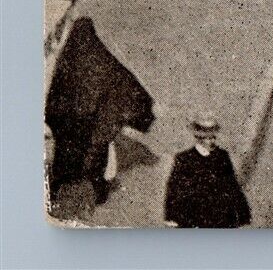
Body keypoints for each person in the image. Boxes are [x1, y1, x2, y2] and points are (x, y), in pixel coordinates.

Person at [46, 16, 155, 215]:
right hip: (94, 122)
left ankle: (59, 190)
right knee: (95, 157)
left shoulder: (70, 57)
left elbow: (56, 92)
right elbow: (124, 81)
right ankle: (97, 193)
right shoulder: (101, 57)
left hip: (71, 123)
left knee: (67, 156)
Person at [164, 113, 251, 229]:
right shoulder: (184, 159)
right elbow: (174, 188)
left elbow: (232, 185)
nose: (212, 141)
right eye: (208, 137)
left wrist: (242, 214)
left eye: (213, 136)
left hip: (220, 218)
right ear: (199, 137)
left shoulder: (222, 156)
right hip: (193, 217)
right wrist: (171, 217)